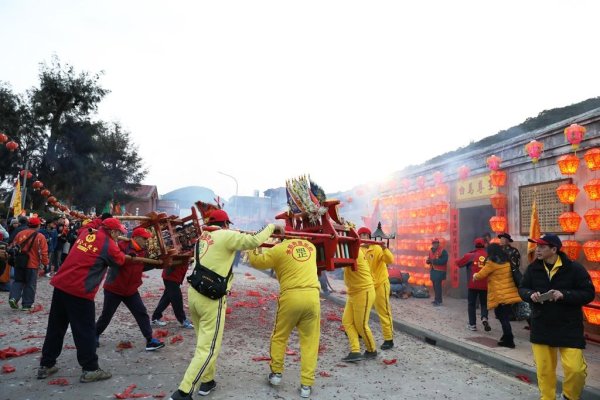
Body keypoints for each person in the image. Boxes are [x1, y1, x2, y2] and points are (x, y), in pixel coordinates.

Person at [169, 210, 278, 400]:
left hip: (195, 293)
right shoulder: (226, 235)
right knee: (209, 348)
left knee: (203, 342)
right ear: (226, 223)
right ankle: (183, 392)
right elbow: (253, 242)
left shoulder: (203, 237)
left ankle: (208, 380)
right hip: (211, 298)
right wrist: (272, 227)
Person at [37, 218, 129, 383]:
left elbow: (88, 226)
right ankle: (90, 369)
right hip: (79, 291)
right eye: (118, 233)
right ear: (113, 232)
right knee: (86, 331)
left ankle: (46, 364)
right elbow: (120, 261)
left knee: (56, 327)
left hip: (61, 285)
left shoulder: (87, 232)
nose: (119, 236)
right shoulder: (109, 245)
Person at [519, 234, 595, 400]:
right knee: (544, 370)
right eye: (536, 246)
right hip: (541, 325)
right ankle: (547, 398)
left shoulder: (574, 269)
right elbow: (523, 288)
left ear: (554, 249)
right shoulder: (533, 269)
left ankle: (569, 396)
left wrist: (564, 295)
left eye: (542, 247)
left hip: (568, 326)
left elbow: (588, 293)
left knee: (576, 369)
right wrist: (530, 294)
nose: (537, 249)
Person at [247, 237, 320, 399]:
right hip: (313, 296)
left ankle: (276, 375)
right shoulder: (311, 246)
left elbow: (257, 262)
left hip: (291, 296)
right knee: (310, 341)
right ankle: (306, 385)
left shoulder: (278, 249)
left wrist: (253, 244)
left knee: (279, 336)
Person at [95, 227, 165, 351]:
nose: (146, 241)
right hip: (114, 288)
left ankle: (150, 340)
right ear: (136, 237)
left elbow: (142, 267)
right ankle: (94, 335)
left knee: (141, 313)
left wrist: (158, 265)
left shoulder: (144, 251)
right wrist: (126, 257)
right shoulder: (122, 246)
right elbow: (114, 261)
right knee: (106, 315)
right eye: (144, 238)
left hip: (131, 289)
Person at [473, 243, 521, 348]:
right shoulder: (506, 260)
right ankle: (506, 336)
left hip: (500, 295)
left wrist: (474, 276)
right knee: (501, 315)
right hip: (508, 293)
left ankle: (509, 340)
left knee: (503, 317)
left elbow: (481, 275)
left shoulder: (492, 262)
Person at [358, 226, 395, 350]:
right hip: (366, 285)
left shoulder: (378, 248)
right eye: (361, 235)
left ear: (369, 237)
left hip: (380, 283)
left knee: (383, 311)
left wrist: (385, 249)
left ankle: (389, 339)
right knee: (361, 309)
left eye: (365, 235)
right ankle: (359, 331)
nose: (363, 237)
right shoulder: (357, 250)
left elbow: (390, 260)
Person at [341, 246, 378, 363]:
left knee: (361, 325)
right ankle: (355, 351)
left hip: (364, 291)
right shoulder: (347, 249)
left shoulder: (353, 251)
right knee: (347, 321)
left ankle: (372, 350)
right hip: (353, 292)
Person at [8, 217, 49, 311]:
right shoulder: (40, 236)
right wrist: (45, 263)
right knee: (30, 284)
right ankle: (27, 305)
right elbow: (43, 252)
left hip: (19, 263)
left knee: (18, 281)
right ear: (38, 225)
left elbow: (13, 246)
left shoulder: (20, 234)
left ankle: (13, 298)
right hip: (32, 264)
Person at [455, 238, 490, 332]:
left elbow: (458, 263)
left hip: (473, 284)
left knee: (472, 304)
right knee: (484, 303)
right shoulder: (488, 255)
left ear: (475, 245)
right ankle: (484, 317)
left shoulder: (470, 255)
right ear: (484, 245)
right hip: (485, 285)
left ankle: (472, 324)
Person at [151, 256, 194, 329]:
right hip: (171, 276)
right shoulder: (177, 247)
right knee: (177, 298)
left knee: (166, 298)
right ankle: (182, 320)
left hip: (174, 276)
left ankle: (155, 318)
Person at [426, 238, 448, 306]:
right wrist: (428, 261)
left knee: (438, 286)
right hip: (433, 270)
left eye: (436, 243)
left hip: (440, 271)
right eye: (434, 243)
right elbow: (429, 258)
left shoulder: (443, 251)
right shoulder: (430, 250)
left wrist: (434, 261)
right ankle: (436, 299)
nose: (435, 244)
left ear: (438, 243)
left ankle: (439, 301)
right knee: (435, 286)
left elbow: (444, 260)